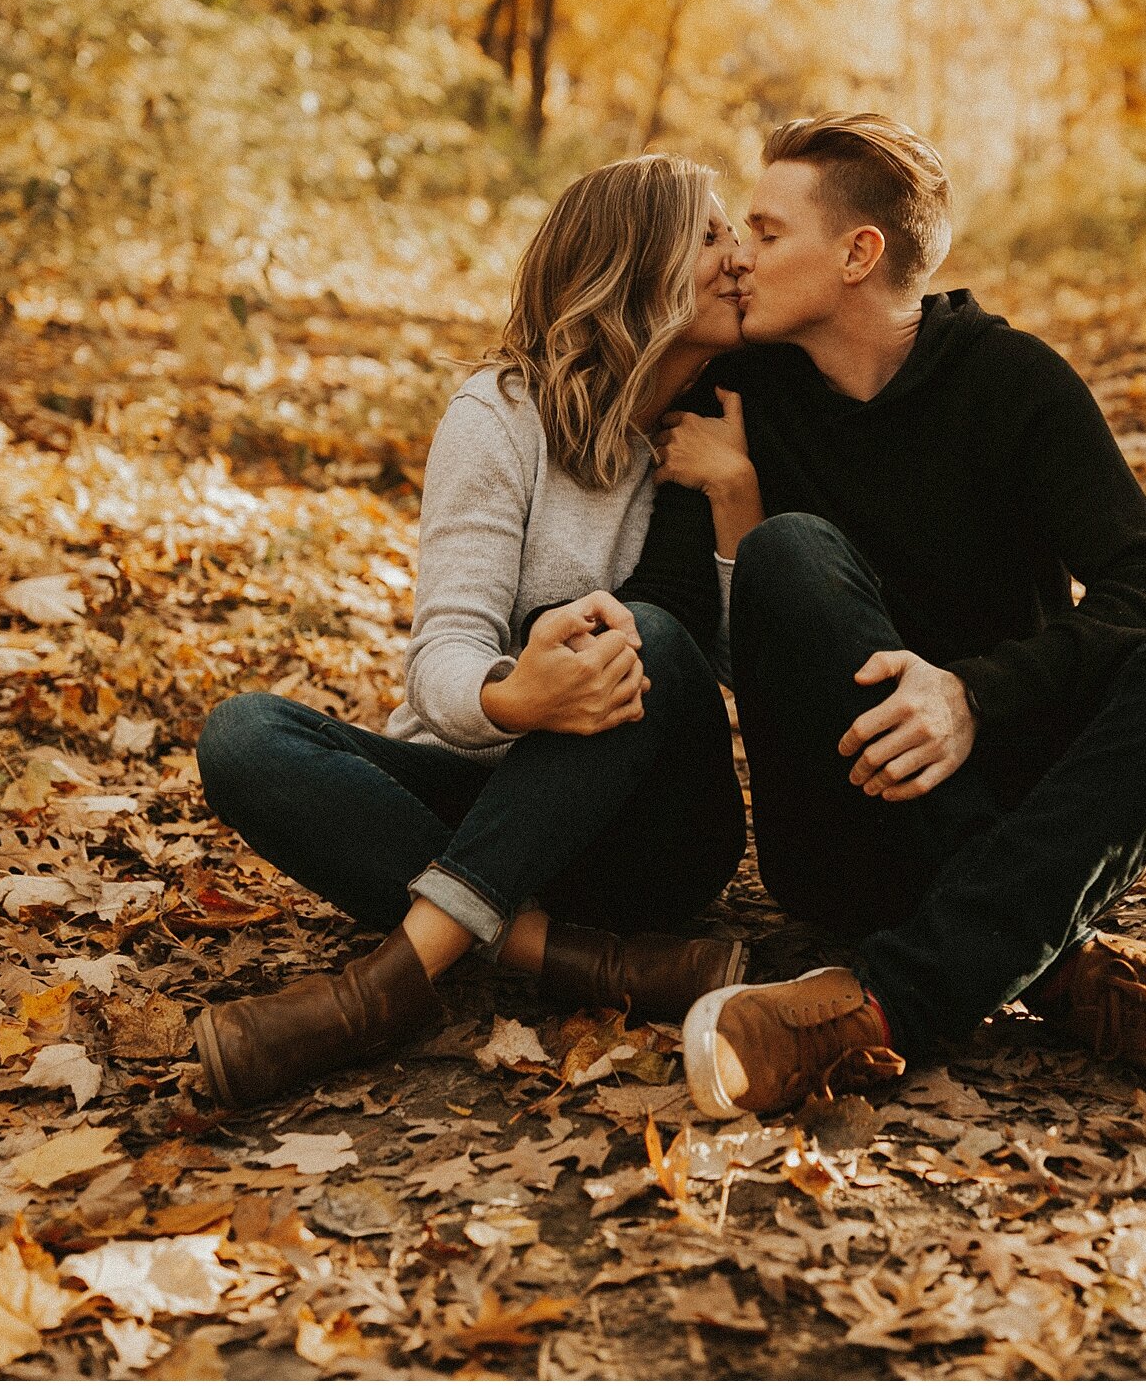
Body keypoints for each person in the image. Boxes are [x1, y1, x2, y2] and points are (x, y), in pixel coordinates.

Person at [648, 113, 1146, 1119]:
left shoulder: (1010, 379)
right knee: (789, 549)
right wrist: (735, 501)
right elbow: (686, 636)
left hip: (1020, 797)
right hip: (840, 828)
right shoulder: (734, 397)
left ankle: (887, 1004)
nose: (739, 259)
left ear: (859, 252)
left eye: (766, 234)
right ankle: (1067, 966)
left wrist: (970, 695)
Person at [188, 154, 753, 1110]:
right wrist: (513, 696)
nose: (739, 255)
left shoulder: (738, 416)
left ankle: (385, 989)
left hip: (654, 843)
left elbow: (737, 664)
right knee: (242, 735)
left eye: (740, 232)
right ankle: (567, 959)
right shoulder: (499, 417)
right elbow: (443, 652)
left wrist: (736, 494)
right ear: (635, 266)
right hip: (491, 803)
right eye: (710, 234)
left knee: (644, 635)